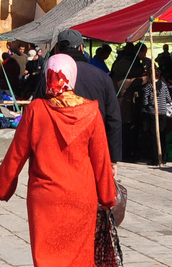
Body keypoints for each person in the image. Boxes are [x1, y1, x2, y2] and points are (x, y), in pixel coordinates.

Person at [0, 53, 118, 267]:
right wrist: (108, 196)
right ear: (71, 77)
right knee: (77, 258)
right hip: (81, 197)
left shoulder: (36, 110)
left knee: (49, 260)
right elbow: (101, 159)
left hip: (45, 199)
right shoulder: (91, 112)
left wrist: (2, 188)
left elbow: (17, 153)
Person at [39, 30, 123, 167]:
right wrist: (113, 158)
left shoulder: (50, 77)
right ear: (81, 48)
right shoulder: (101, 77)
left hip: (57, 149)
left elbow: (38, 114)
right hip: (93, 148)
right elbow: (114, 118)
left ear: (57, 49)